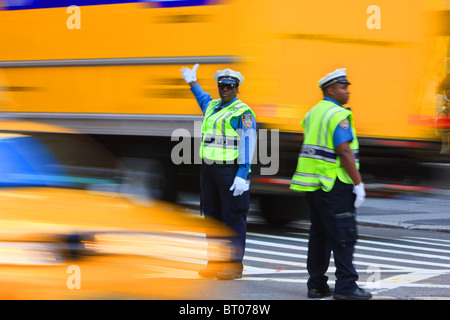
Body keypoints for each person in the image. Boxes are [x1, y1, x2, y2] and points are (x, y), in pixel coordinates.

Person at [290, 68, 372, 300]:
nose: (347, 92)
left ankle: (316, 285)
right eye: (343, 87)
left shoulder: (314, 112)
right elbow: (344, 150)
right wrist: (358, 183)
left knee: (319, 235)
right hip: (334, 184)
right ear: (330, 89)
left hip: (314, 185)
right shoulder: (337, 115)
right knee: (344, 235)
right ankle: (347, 287)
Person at [180, 64, 256, 280]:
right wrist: (192, 82)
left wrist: (243, 173)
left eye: (230, 86)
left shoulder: (243, 112)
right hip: (209, 170)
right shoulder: (213, 106)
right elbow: (202, 98)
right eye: (222, 86)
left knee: (233, 216)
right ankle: (215, 261)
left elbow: (248, 143)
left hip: (230, 170)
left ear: (237, 88)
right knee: (212, 216)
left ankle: (233, 265)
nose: (225, 90)